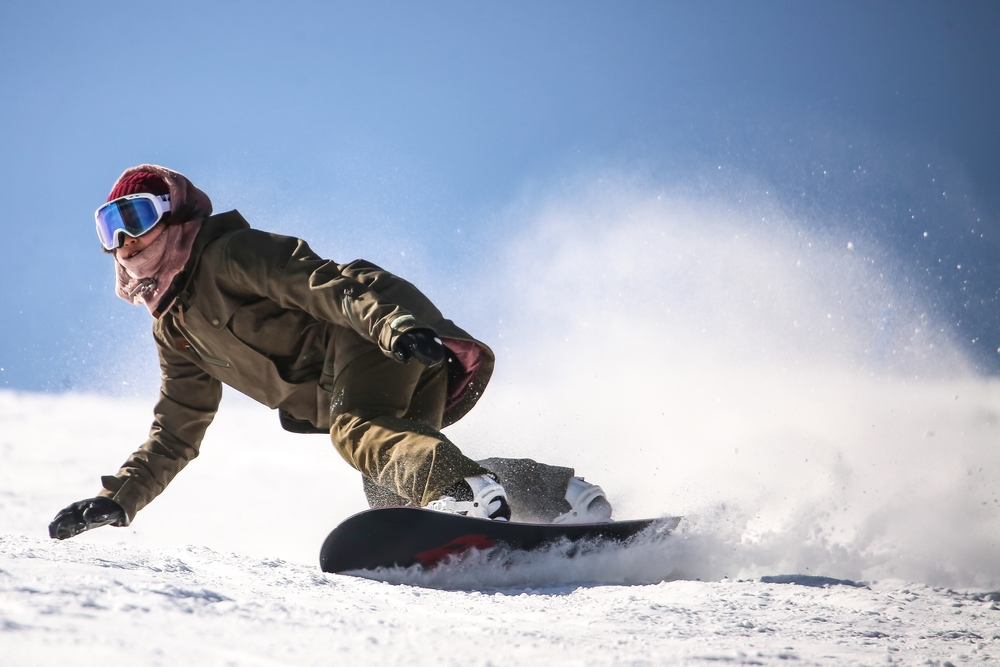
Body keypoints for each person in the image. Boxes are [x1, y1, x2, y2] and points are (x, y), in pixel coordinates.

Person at [48, 165, 613, 541]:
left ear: (173, 215)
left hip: (373, 332)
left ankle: (459, 490)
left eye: (138, 218)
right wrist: (119, 500)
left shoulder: (229, 254)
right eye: (110, 227)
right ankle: (560, 494)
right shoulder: (174, 330)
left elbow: (323, 285)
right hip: (374, 357)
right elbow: (176, 430)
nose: (126, 241)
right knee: (389, 491)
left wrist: (393, 327)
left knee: (357, 428)